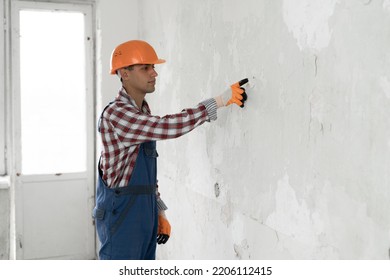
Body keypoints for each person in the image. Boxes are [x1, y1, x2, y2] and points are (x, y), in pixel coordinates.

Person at [93, 39, 248, 260]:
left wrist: (158, 210)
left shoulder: (141, 111)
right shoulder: (117, 114)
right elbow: (165, 126)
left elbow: (145, 172)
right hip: (121, 218)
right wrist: (219, 101)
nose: (154, 73)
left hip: (142, 214)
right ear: (124, 74)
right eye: (145, 67)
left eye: (154, 67)